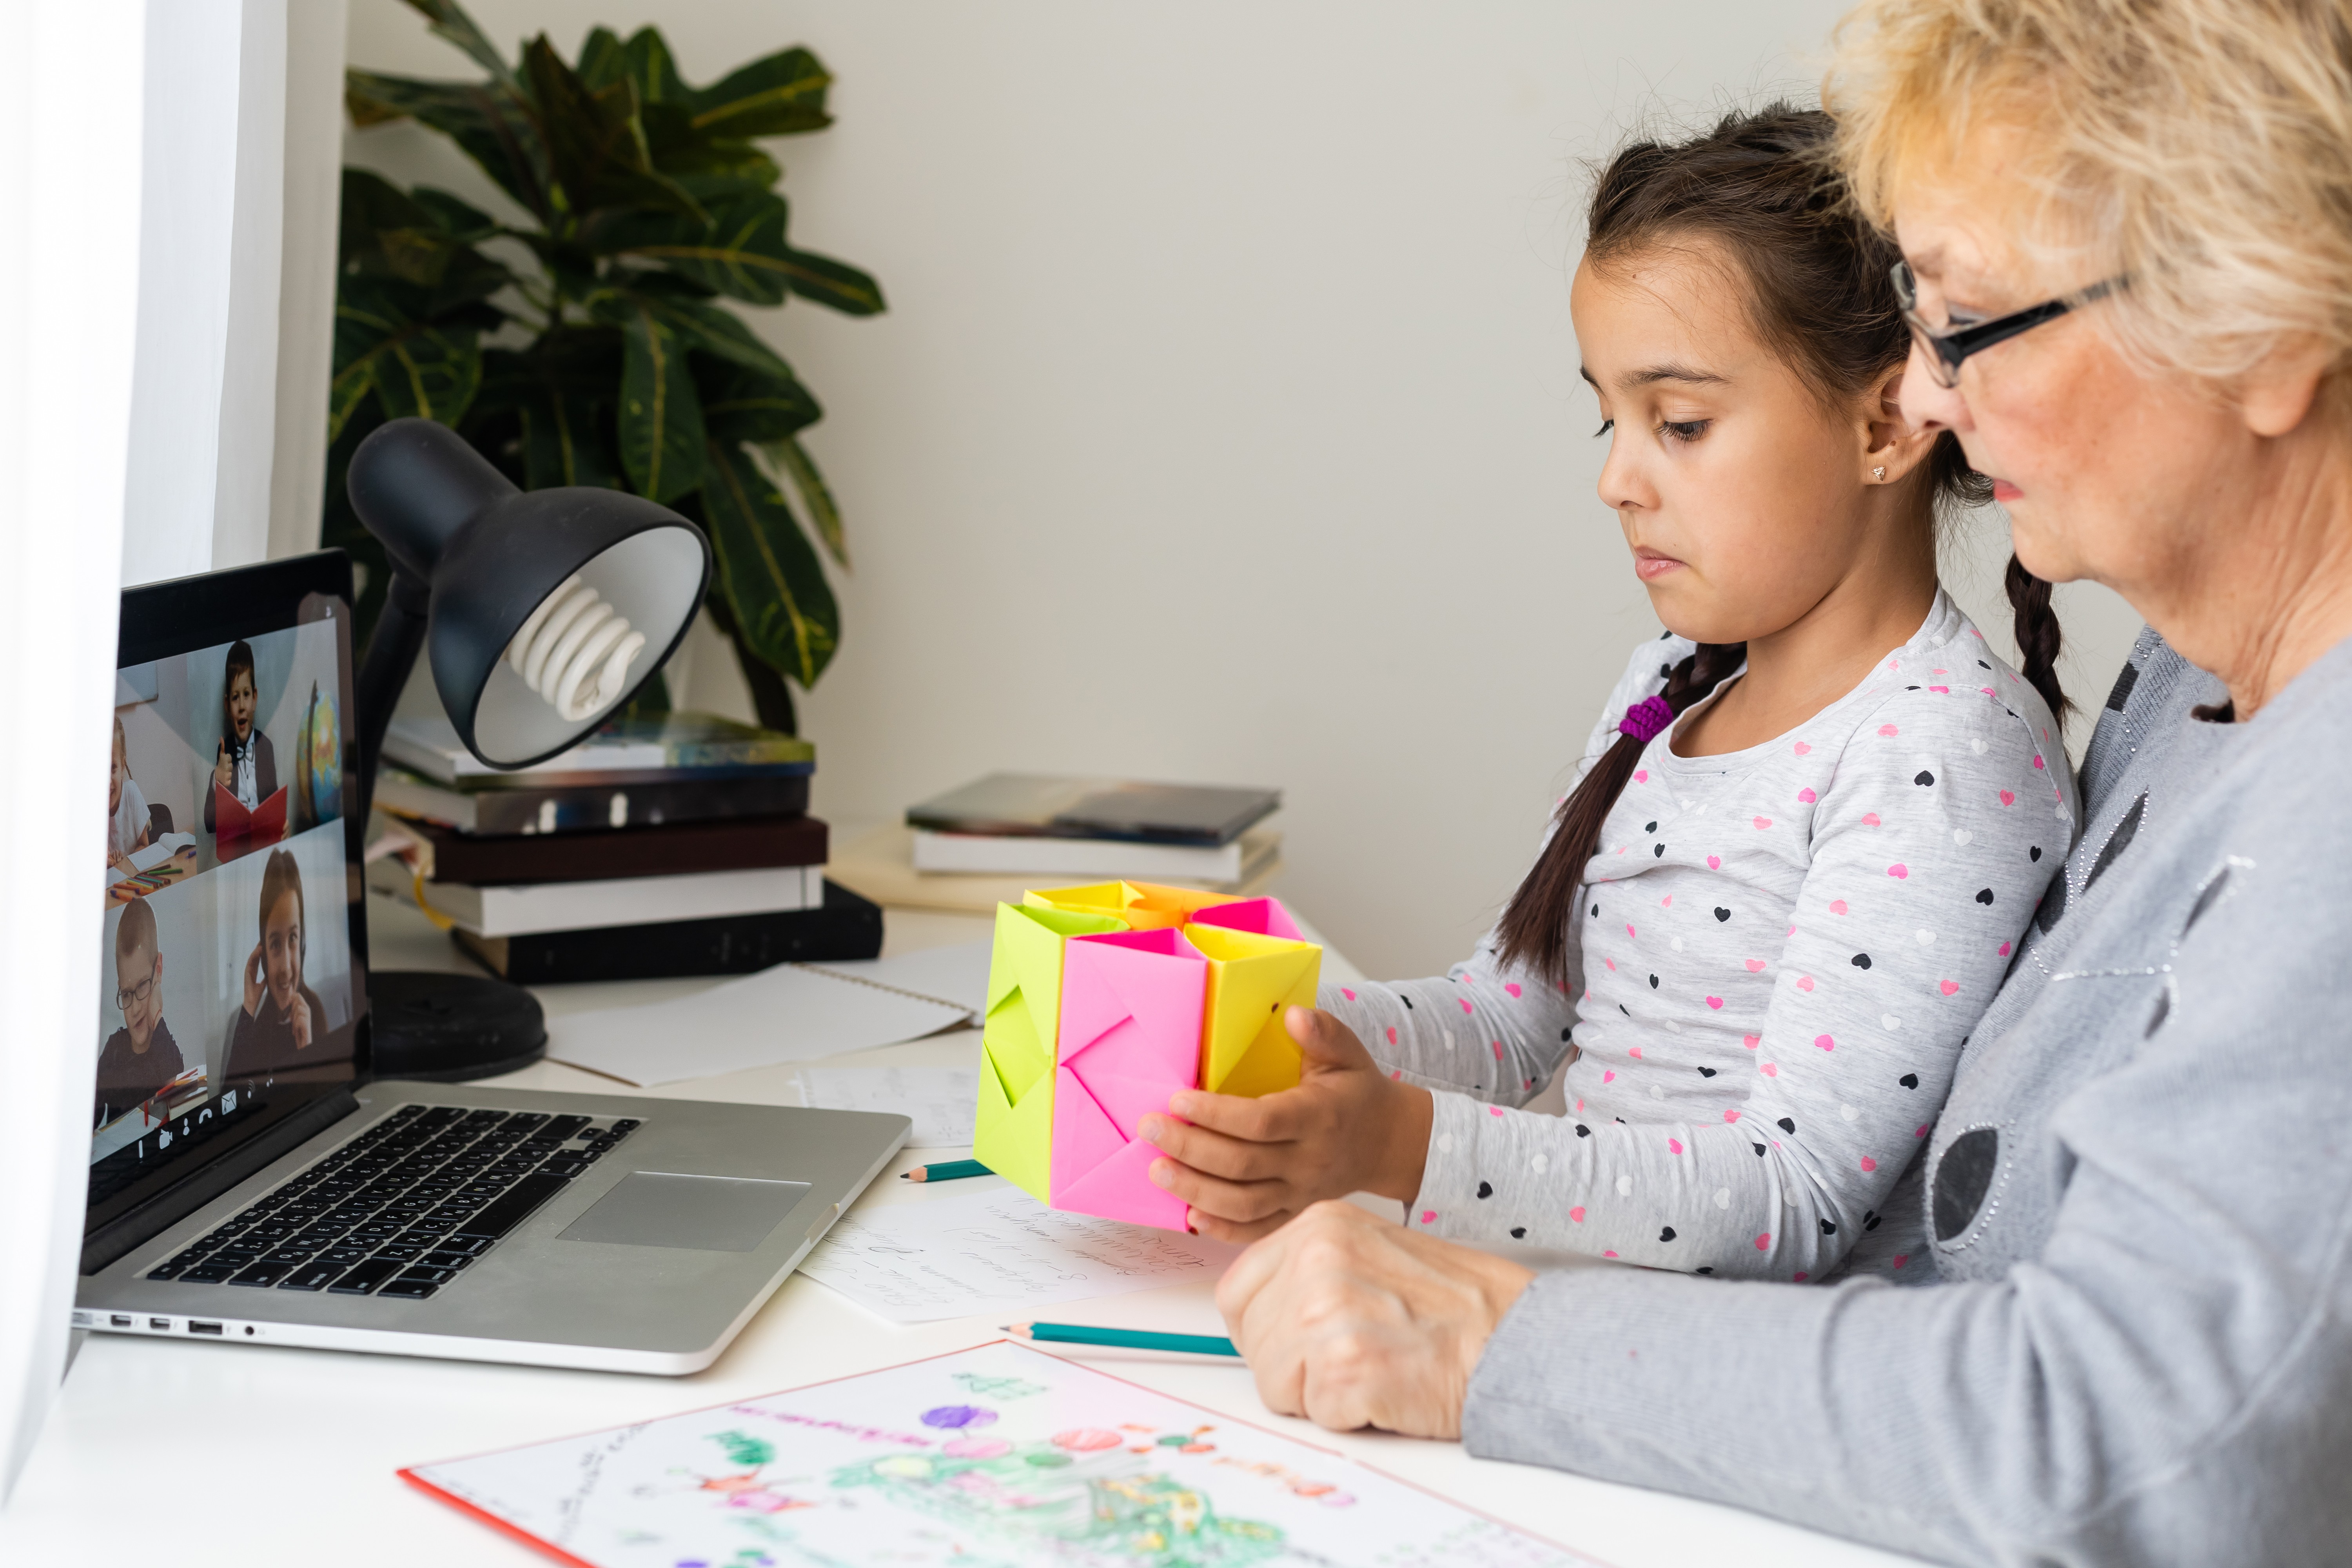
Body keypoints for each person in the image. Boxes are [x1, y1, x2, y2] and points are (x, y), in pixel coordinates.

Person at [1211, 1, 2352, 1562]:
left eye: (1972, 321)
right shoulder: (2182, 687)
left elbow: (2131, 1434)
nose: (1932, 398)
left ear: (2270, 327)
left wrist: (1497, 1336)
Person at [1147, 107, 2077, 1286]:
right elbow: (1507, 1017)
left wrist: (1399, 1141)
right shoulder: (1669, 688)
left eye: (1678, 423)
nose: (1612, 480)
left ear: (1886, 421)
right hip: (1560, 1318)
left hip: (1700, 1381)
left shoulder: (1936, 752)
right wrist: (1286, 1034)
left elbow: (1791, 1199)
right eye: (1608, 417)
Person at [223, 847, 326, 1081]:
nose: (287, 968)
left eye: (292, 939)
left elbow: (326, 1097)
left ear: (302, 945)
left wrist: (306, 1051)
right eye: (275, 944)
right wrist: (249, 1006)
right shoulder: (256, 1029)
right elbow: (229, 1100)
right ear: (263, 955)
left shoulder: (316, 1014)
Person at [94, 898, 187, 1127]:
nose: (134, 1008)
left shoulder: (167, 1050)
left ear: (158, 971)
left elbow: (171, 1075)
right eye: (126, 994)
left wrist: (157, 1017)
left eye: (143, 986)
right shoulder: (114, 1050)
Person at [201, 638, 276, 835]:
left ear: (255, 698)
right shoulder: (224, 754)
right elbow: (210, 825)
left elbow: (275, 808)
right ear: (227, 705)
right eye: (235, 697)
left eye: (246, 695)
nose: (242, 705)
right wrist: (216, 780)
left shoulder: (266, 747)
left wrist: (280, 826)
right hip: (236, 855)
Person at [105, 713, 151, 873]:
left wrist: (124, 864)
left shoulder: (131, 793)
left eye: (113, 768)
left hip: (137, 879)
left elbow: (145, 845)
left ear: (123, 767)